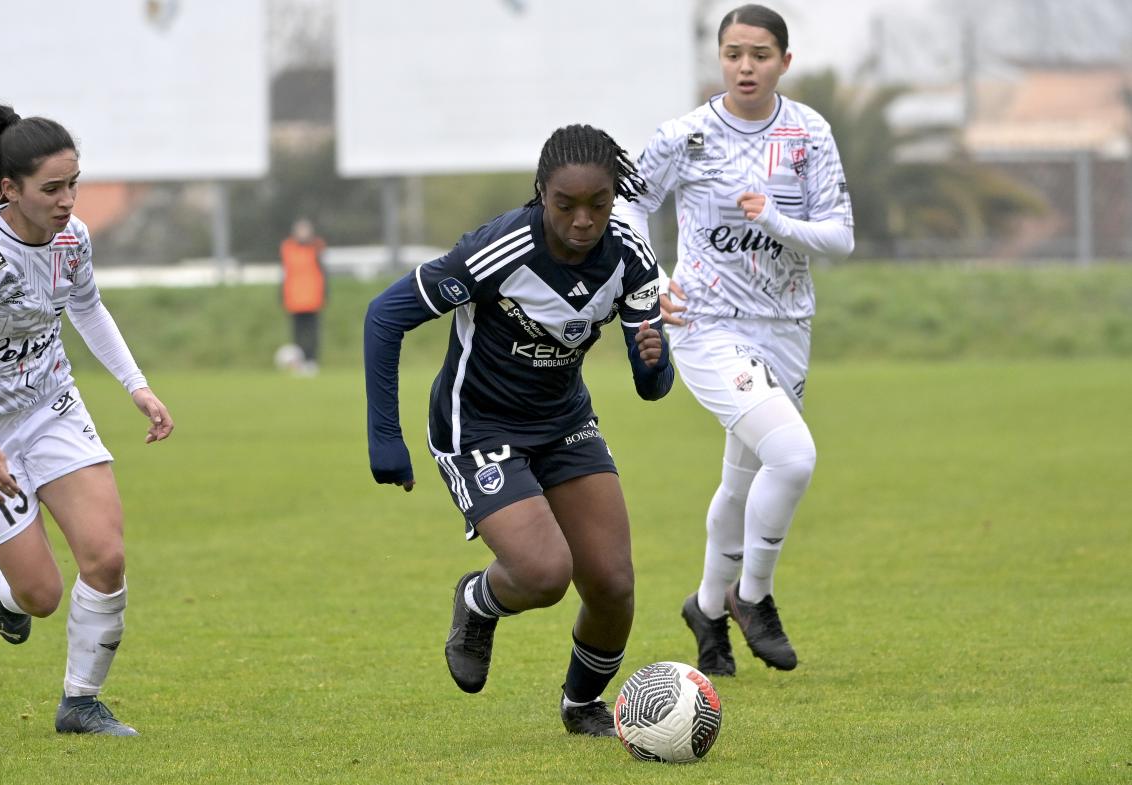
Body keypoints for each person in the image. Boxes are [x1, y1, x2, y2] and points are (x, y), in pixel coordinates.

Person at [364, 124, 672, 736]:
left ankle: (582, 705)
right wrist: (385, 439)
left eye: (598, 204)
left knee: (612, 584)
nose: (583, 220)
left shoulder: (630, 256)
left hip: (564, 422)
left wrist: (655, 358)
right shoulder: (497, 251)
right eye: (566, 205)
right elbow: (384, 317)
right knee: (543, 574)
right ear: (541, 193)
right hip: (477, 425)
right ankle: (476, 604)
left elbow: (651, 384)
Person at [613, 4, 854, 677]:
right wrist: (653, 279)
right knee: (795, 457)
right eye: (733, 54)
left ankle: (705, 611)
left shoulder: (808, 133)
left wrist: (776, 219)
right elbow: (628, 203)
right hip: (706, 327)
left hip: (786, 326)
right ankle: (753, 597)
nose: (745, 66)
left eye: (760, 54)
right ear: (719, 58)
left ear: (784, 61)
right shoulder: (685, 136)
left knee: (743, 480)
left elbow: (840, 236)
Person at [0, 105, 174, 736]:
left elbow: (88, 307)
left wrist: (137, 386)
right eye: (51, 188)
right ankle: (6, 582)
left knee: (105, 557)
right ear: (9, 189)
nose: (67, 200)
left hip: (50, 407)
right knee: (41, 597)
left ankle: (81, 703)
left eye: (73, 183)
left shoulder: (73, 238)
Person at [279, 217, 327, 375]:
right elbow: (285, 273)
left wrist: (325, 292)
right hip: (294, 297)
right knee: (297, 333)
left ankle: (312, 361)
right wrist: (281, 294)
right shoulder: (287, 248)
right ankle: (298, 363)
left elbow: (323, 272)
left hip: (312, 297)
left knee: (312, 332)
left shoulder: (316, 247)